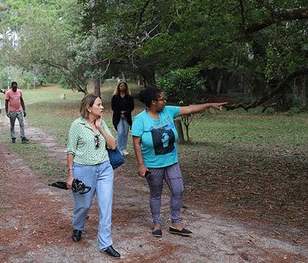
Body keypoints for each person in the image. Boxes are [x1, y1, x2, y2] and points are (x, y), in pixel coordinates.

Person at [132, 87, 227, 238]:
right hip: (153, 165)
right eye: (162, 99)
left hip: (171, 161)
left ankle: (175, 223)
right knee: (156, 194)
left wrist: (208, 105)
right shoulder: (140, 120)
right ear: (153, 102)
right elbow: (136, 144)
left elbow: (189, 109)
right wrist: (141, 164)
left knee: (178, 190)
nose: (165, 101)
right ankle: (156, 223)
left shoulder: (168, 111)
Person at [66, 94, 121, 258]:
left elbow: (113, 145)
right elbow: (70, 150)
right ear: (89, 108)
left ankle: (105, 243)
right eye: (99, 104)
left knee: (106, 206)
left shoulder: (101, 122)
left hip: (104, 169)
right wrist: (70, 174)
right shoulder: (77, 125)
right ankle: (78, 226)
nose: (102, 107)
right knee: (84, 204)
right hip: (83, 170)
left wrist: (101, 128)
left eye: (102, 104)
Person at [111, 81, 134, 156]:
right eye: (121, 86)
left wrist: (125, 113)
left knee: (125, 133)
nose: (122, 87)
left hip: (127, 116)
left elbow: (132, 107)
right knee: (120, 132)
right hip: (118, 116)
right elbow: (113, 107)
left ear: (126, 87)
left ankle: (123, 148)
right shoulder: (115, 97)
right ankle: (119, 148)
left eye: (124, 86)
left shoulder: (129, 97)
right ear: (118, 87)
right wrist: (120, 114)